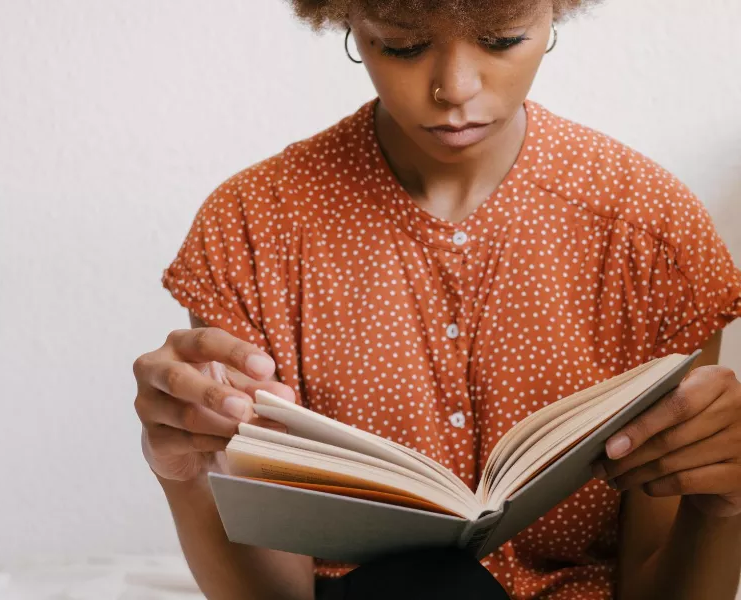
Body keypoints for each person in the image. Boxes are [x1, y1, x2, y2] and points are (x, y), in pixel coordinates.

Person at [132, 0, 741, 598]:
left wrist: (725, 505)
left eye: (502, 40)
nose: (455, 88)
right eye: (402, 44)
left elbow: (660, 584)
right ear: (348, 19)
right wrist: (185, 478)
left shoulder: (655, 232)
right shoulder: (253, 228)